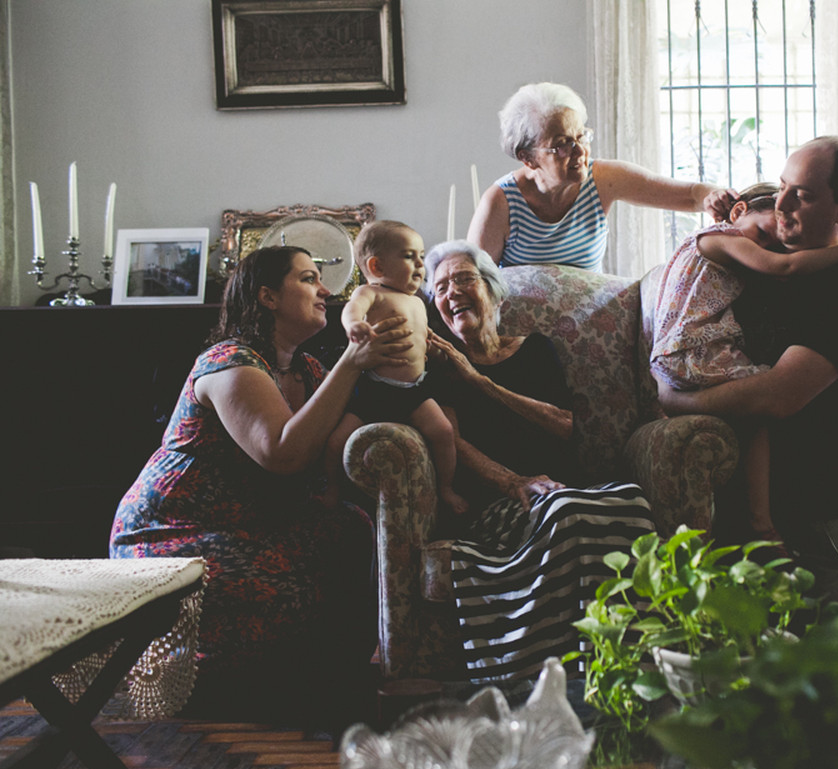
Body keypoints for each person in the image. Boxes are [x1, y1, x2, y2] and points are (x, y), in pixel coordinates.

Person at [655, 136, 838, 654]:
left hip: (821, 502)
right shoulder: (757, 266)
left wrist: (678, 401)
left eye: (804, 196)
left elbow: (778, 398)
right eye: (784, 189)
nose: (785, 206)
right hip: (749, 499)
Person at [110, 246, 413, 717]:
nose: (326, 291)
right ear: (268, 296)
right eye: (310, 278)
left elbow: (337, 435)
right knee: (280, 590)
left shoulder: (310, 371)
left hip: (254, 523)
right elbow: (282, 454)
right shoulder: (229, 362)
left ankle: (334, 676)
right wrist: (352, 363)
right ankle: (233, 687)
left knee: (351, 528)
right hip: (177, 529)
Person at [422, 239, 658, 682]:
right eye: (440, 288)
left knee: (630, 501)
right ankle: (548, 679)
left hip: (561, 488)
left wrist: (481, 382)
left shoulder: (534, 349)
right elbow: (452, 442)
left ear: (491, 290)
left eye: (463, 279)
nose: (451, 292)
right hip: (497, 504)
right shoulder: (439, 367)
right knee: (566, 511)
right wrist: (514, 482)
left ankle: (630, 670)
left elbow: (564, 425)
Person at [650, 181, 838, 538]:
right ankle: (762, 522)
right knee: (756, 412)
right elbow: (782, 267)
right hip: (690, 350)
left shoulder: (728, 252)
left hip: (679, 353)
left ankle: (761, 520)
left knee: (755, 410)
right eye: (764, 232)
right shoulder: (717, 239)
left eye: (773, 244)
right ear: (738, 212)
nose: (767, 247)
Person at [467, 81, 736, 271]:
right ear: (528, 157)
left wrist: (713, 198)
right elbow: (471, 280)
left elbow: (690, 195)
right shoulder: (500, 202)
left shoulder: (602, 179)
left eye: (581, 136)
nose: (580, 151)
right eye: (562, 144)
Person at [325, 221, 468, 514]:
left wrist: (431, 350)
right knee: (337, 441)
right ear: (377, 266)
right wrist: (355, 326)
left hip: (415, 389)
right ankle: (330, 488)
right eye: (408, 256)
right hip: (374, 388)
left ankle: (447, 489)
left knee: (443, 433)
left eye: (421, 255)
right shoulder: (371, 292)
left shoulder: (417, 301)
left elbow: (421, 337)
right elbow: (351, 310)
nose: (420, 264)